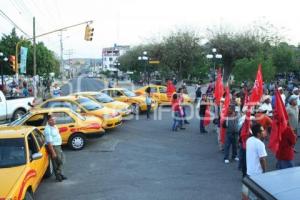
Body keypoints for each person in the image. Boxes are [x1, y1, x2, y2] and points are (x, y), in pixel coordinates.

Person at [44, 114, 67, 182]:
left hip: (58, 146)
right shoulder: (48, 130)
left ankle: (59, 174)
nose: (54, 121)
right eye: (52, 120)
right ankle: (58, 176)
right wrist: (53, 152)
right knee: (57, 162)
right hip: (54, 147)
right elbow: (49, 142)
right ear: (48, 121)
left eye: (54, 119)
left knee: (61, 160)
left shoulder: (54, 126)